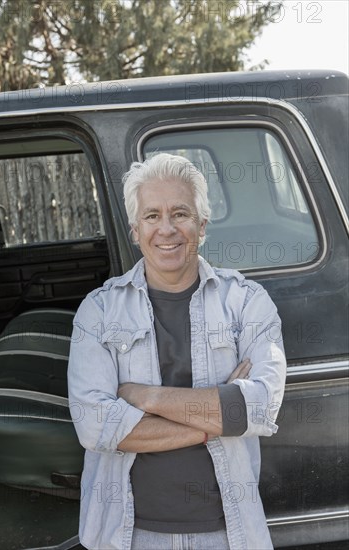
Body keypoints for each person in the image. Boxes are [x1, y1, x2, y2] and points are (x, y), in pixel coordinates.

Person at [67, 153, 286, 550]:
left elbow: (259, 408)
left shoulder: (247, 302)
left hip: (229, 532)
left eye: (180, 213)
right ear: (135, 230)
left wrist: (144, 397)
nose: (166, 229)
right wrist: (213, 419)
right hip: (127, 534)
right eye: (152, 216)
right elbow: (96, 426)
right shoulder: (98, 310)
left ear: (202, 225)